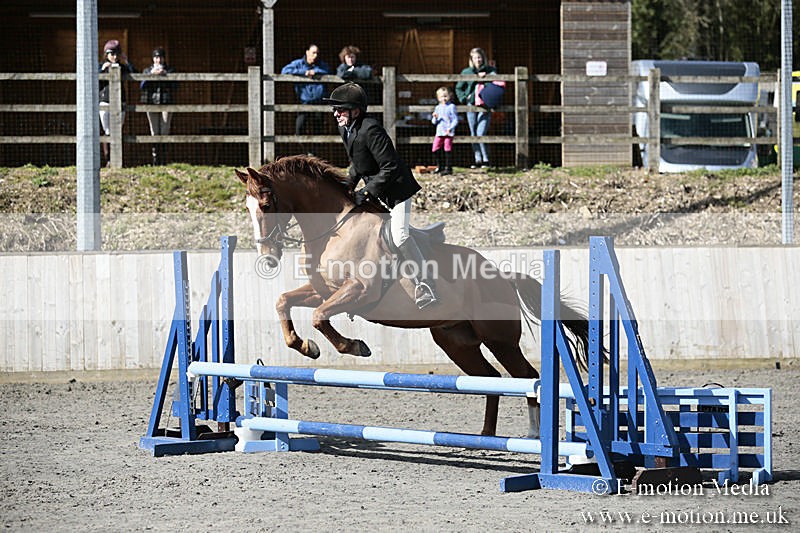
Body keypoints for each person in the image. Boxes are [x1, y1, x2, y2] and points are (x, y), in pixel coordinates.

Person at [323, 82, 437, 309]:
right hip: (377, 191)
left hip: (396, 191)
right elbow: (358, 164)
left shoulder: (371, 129)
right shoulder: (347, 129)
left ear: (355, 111)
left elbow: (390, 167)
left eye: (340, 109)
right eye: (335, 109)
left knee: (400, 236)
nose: (336, 114)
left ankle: (425, 284)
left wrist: (365, 192)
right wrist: (346, 188)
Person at [455, 47, 497, 169]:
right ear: (471, 59)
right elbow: (459, 88)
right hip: (471, 105)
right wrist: (464, 98)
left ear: (483, 58)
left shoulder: (490, 70)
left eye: (479, 57)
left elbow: (497, 84)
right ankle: (477, 159)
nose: (478, 60)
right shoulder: (466, 72)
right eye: (475, 58)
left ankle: (486, 159)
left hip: (485, 105)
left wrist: (486, 78)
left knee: (481, 132)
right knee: (473, 132)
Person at [281, 44, 332, 136]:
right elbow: (285, 71)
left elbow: (329, 72)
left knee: (318, 128)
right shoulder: (298, 64)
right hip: (304, 101)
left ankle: (317, 145)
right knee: (300, 126)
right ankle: (300, 144)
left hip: (319, 101)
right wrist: (303, 72)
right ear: (307, 52)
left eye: (317, 53)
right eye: (313, 53)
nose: (315, 55)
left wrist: (316, 72)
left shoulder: (321, 65)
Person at [98, 39, 136, 164]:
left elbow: (134, 72)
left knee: (118, 130)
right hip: (105, 101)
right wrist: (102, 70)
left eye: (116, 54)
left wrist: (126, 61)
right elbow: (93, 80)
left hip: (120, 101)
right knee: (107, 130)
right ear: (106, 54)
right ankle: (108, 159)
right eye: (112, 54)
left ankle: (117, 159)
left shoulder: (122, 67)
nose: (114, 57)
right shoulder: (101, 66)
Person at [140, 47, 177, 165]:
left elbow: (176, 85)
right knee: (154, 131)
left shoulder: (170, 70)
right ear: (153, 59)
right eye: (156, 57)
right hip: (151, 103)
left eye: (160, 57)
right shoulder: (147, 70)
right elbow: (142, 85)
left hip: (166, 102)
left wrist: (166, 75)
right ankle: (155, 158)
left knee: (165, 130)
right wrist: (151, 75)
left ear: (164, 58)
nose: (158, 60)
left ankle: (164, 159)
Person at [430, 87, 459, 176]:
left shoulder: (451, 107)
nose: (444, 98)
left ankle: (448, 168)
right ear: (438, 98)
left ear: (449, 96)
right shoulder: (438, 108)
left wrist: (450, 128)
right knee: (435, 148)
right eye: (442, 97)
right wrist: (435, 117)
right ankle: (440, 166)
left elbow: (455, 119)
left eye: (445, 96)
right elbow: (434, 122)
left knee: (447, 148)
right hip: (440, 131)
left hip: (448, 132)